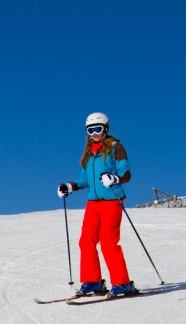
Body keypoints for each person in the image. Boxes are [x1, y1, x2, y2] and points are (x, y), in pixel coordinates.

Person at [57, 112, 138, 297]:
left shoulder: (115, 148)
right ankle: (93, 281)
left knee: (109, 242)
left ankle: (122, 283)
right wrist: (70, 186)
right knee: (86, 241)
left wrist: (114, 178)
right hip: (93, 202)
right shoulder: (89, 154)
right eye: (90, 130)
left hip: (112, 200)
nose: (94, 133)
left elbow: (126, 173)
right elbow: (85, 180)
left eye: (98, 129)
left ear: (106, 129)